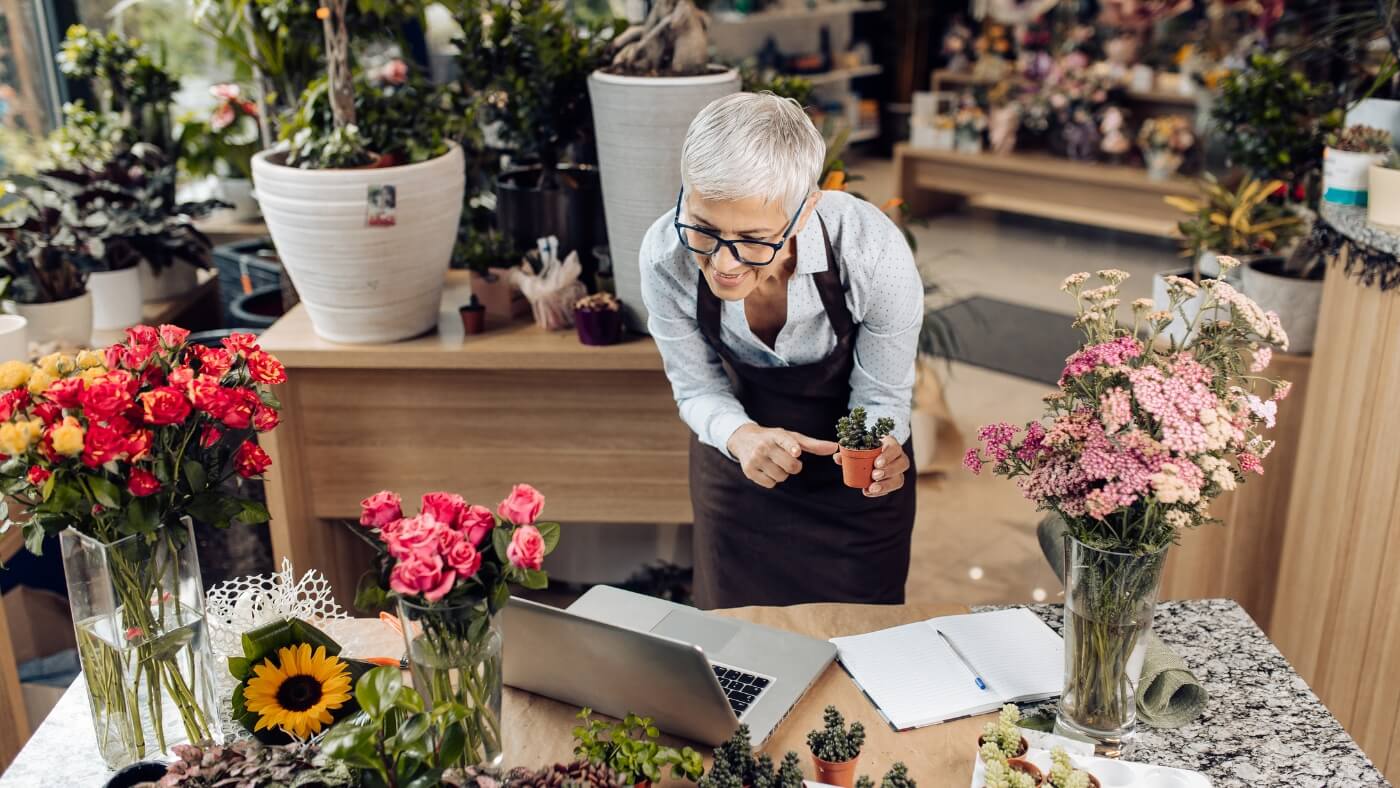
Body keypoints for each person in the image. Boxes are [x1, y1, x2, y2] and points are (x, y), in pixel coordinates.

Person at [639, 92, 923, 609]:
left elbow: (883, 395)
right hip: (740, 473)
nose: (723, 263)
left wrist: (877, 453)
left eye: (753, 239)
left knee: (858, 640)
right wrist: (742, 437)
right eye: (703, 229)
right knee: (735, 640)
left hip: (854, 496)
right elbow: (696, 388)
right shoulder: (665, 257)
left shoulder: (871, 250)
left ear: (806, 209)